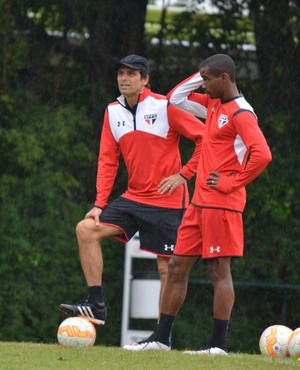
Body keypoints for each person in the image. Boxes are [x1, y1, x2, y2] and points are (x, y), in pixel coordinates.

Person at [123, 54, 272, 353]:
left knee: (218, 270)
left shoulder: (242, 113)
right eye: (201, 80)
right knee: (177, 266)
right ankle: (161, 339)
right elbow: (175, 98)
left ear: (225, 79)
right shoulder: (213, 103)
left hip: (223, 204)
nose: (202, 87)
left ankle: (218, 345)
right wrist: (203, 72)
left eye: (207, 81)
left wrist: (231, 182)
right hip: (199, 204)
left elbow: (263, 154)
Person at [59, 54, 204, 325]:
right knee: (86, 229)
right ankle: (96, 305)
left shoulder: (165, 106)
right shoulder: (112, 111)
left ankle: (162, 335)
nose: (124, 79)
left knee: (166, 267)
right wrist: (100, 203)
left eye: (131, 74)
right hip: (134, 197)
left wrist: (184, 175)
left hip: (168, 201)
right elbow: (107, 160)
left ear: (145, 80)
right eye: (120, 74)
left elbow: (204, 138)